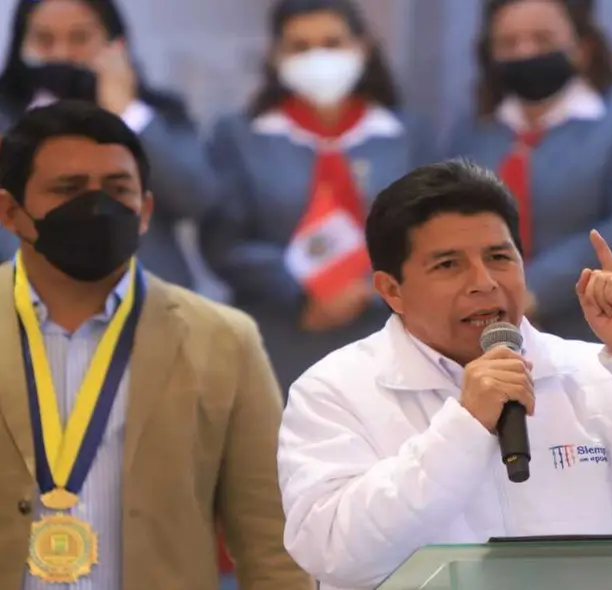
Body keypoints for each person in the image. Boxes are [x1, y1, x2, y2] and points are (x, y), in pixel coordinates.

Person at [276, 158, 612, 590]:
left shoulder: (597, 374)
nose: (484, 283)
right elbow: (338, 553)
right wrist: (465, 425)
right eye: (449, 265)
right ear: (391, 289)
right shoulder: (334, 390)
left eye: (499, 257)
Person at [0, 101, 313, 590]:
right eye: (68, 189)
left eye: (117, 189)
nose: (97, 206)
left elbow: (272, 537)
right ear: (10, 211)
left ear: (145, 211)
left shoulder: (224, 340)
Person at [201, 0, 428, 392]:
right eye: (300, 47)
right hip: (279, 334)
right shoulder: (240, 135)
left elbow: (428, 235)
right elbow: (224, 241)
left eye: (332, 42)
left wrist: (362, 290)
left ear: (363, 47)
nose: (317, 56)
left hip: (387, 332)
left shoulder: (406, 136)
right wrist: (309, 287)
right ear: (275, 56)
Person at [445, 0, 612, 341]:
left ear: (582, 48)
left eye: (542, 39)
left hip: (604, 326)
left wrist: (531, 289)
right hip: (491, 331)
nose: (526, 52)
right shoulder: (475, 130)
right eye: (509, 44)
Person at [0, 0, 218, 290]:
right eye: (44, 40)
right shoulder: (6, 119)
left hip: (146, 311)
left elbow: (195, 199)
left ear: (115, 43)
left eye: (80, 38)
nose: (61, 53)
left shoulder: (154, 114)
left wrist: (126, 113)